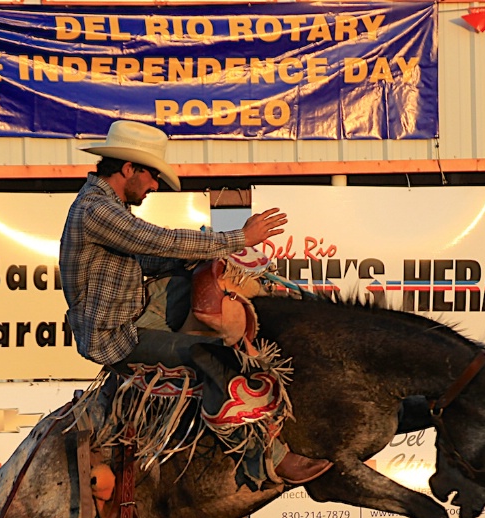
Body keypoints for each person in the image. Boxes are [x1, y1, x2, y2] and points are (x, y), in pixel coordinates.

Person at [59, 119, 330, 487]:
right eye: (152, 176)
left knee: (223, 291)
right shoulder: (97, 211)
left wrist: (215, 259)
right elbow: (159, 242)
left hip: (135, 314)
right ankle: (263, 458)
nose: (155, 185)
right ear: (128, 169)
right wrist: (238, 239)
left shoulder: (107, 207)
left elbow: (149, 258)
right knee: (214, 354)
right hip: (118, 337)